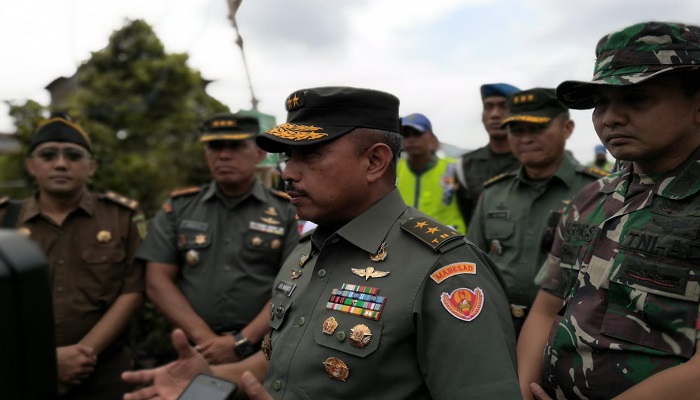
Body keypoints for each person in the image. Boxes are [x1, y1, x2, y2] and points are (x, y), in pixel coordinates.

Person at [123, 86, 521, 399]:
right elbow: (287, 367)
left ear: (375, 162)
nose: (288, 173)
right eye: (286, 157)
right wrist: (211, 376)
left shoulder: (442, 271)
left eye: (309, 155)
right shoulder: (305, 252)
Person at [517, 21, 700, 400]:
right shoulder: (590, 199)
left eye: (636, 99)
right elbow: (547, 308)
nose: (609, 118)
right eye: (601, 103)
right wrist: (523, 389)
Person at [136, 113, 299, 366]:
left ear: (258, 154)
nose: (224, 155)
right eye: (215, 146)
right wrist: (206, 340)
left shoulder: (286, 212)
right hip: (192, 350)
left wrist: (242, 341)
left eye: (235, 146)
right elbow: (157, 281)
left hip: (264, 351)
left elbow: (293, 284)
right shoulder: (179, 208)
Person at [0, 116, 145, 399]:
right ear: (31, 165)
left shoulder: (120, 217)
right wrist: (45, 360)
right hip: (21, 368)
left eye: (73, 155)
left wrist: (83, 354)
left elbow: (134, 289)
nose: (61, 164)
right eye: (48, 155)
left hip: (105, 373)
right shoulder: (5, 220)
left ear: (91, 166)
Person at [467, 87, 607, 338]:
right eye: (517, 130)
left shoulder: (596, 192)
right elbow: (472, 263)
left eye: (538, 128)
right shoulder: (494, 193)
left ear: (567, 129)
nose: (526, 138)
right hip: (496, 325)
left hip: (568, 330)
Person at [456, 83, 522, 228]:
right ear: (482, 116)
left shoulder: (533, 161)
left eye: (503, 106)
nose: (495, 114)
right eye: (488, 107)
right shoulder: (465, 165)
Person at [396, 112, 465, 233]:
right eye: (406, 135)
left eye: (417, 134)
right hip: (405, 243)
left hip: (449, 244)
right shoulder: (394, 171)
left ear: (432, 137)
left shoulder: (454, 168)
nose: (411, 140)